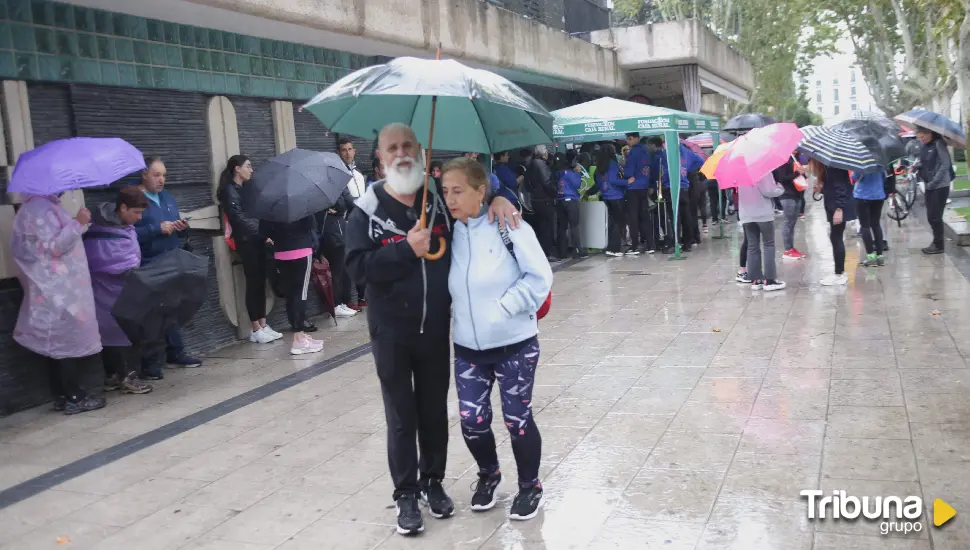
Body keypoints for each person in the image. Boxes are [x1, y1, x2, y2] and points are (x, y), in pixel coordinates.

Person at [344, 123, 519, 536]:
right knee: (402, 415)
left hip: (436, 327)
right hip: (391, 331)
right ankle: (405, 494)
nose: (401, 153)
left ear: (420, 152)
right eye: (393, 148)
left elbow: (472, 197)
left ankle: (432, 482)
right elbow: (357, 271)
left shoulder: (438, 199)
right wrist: (406, 250)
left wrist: (499, 198)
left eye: (408, 145)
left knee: (433, 411)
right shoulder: (366, 210)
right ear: (382, 158)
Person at [442, 157, 553, 521]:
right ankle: (489, 475)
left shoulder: (508, 223)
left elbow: (539, 277)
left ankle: (529, 486)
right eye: (445, 192)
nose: (451, 199)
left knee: (517, 419)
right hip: (468, 349)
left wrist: (504, 308)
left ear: (481, 191)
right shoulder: (447, 231)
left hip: (514, 345)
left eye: (458, 191)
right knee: (472, 421)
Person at [12, 193, 106, 414]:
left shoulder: (39, 207)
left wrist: (76, 223)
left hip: (56, 287)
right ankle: (74, 397)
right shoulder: (40, 209)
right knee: (64, 342)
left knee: (56, 343)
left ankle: (64, 396)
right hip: (58, 289)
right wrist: (77, 222)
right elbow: (54, 246)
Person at [134, 157, 202, 376]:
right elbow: (127, 234)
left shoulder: (167, 198)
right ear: (144, 174)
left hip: (172, 260)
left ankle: (176, 352)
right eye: (156, 175)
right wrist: (156, 229)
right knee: (151, 316)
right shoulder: (133, 198)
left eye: (164, 175)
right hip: (150, 263)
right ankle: (149, 363)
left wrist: (182, 227)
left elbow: (173, 224)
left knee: (172, 310)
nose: (161, 180)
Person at [84, 187, 153, 395]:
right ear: (123, 208)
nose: (139, 218)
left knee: (116, 334)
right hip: (112, 291)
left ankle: (116, 375)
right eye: (136, 212)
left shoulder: (120, 225)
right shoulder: (102, 230)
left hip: (120, 290)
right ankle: (127, 376)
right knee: (126, 334)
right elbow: (105, 259)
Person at [217, 155, 285, 344]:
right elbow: (239, 219)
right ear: (237, 169)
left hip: (258, 240)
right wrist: (262, 232)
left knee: (261, 282)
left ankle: (263, 324)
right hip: (247, 241)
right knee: (253, 282)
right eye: (248, 166)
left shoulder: (246, 189)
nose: (251, 170)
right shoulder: (229, 191)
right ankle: (255, 327)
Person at [262, 214, 325, 354]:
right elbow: (311, 225)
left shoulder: (271, 207)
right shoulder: (301, 204)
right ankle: (299, 338)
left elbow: (264, 231)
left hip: (281, 254)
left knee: (291, 294)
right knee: (300, 294)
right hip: (301, 251)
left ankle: (300, 334)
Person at [650, 137, 704, 252]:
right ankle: (687, 243)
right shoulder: (686, 152)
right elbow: (700, 161)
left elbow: (662, 170)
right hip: (684, 187)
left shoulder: (667, 153)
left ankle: (675, 243)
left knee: (674, 217)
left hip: (670, 188)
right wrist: (687, 169)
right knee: (686, 216)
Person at [810, 159, 856, 286]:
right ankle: (839, 272)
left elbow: (841, 187)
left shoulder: (834, 166)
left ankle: (839, 274)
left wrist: (839, 209)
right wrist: (821, 188)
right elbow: (832, 187)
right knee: (835, 237)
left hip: (837, 207)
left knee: (836, 237)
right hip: (833, 206)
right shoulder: (828, 165)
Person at [738, 174, 786, 291]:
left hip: (746, 214)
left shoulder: (740, 172)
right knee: (768, 245)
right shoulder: (763, 171)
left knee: (752, 246)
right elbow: (769, 191)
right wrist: (780, 187)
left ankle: (756, 280)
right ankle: (770, 281)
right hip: (763, 213)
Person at [336, 138, 368, 314]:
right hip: (347, 223)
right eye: (343, 150)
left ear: (354, 151)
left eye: (350, 149)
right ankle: (347, 300)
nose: (347, 153)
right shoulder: (339, 175)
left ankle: (362, 297)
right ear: (339, 153)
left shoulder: (358, 175)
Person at [916, 128, 954, 254]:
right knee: (931, 216)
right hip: (929, 185)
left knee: (935, 216)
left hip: (940, 185)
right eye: (920, 137)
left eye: (923, 136)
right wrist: (917, 167)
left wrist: (934, 182)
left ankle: (939, 245)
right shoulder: (925, 146)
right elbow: (925, 162)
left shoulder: (939, 144)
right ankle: (937, 242)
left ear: (930, 133)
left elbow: (945, 165)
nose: (921, 139)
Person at [588, 145, 628, 256]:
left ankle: (610, 247)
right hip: (617, 196)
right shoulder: (613, 164)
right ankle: (615, 249)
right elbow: (614, 180)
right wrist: (627, 182)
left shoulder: (599, 166)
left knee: (611, 223)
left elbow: (598, 182)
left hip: (606, 197)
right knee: (618, 223)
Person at [525, 144, 559, 261]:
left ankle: (542, 252)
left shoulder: (530, 164)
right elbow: (547, 182)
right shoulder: (540, 164)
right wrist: (556, 192)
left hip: (535, 199)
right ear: (544, 153)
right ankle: (547, 253)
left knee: (541, 226)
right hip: (544, 199)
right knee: (547, 227)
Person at [623, 132, 652, 255]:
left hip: (633, 188)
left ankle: (634, 246)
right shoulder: (646, 151)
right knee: (645, 217)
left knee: (633, 218)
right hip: (644, 187)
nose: (628, 141)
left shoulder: (633, 152)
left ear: (637, 138)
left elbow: (628, 172)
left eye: (630, 139)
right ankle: (651, 245)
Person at [852, 169, 887, 266]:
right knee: (876, 224)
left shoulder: (861, 161)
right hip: (878, 195)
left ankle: (871, 257)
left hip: (862, 195)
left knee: (865, 226)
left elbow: (855, 177)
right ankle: (880, 257)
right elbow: (884, 177)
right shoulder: (880, 161)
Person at [774, 155, 807, 260]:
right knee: (788, 223)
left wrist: (802, 173)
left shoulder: (793, 158)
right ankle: (788, 250)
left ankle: (791, 248)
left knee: (792, 223)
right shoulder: (781, 161)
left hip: (796, 194)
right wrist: (797, 173)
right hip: (787, 195)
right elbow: (782, 179)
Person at [555, 157, 587, 259]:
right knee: (574, 226)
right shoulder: (570, 173)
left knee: (562, 227)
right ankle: (577, 250)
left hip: (560, 201)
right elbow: (577, 185)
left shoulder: (558, 173)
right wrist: (578, 173)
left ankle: (562, 252)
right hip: (571, 201)